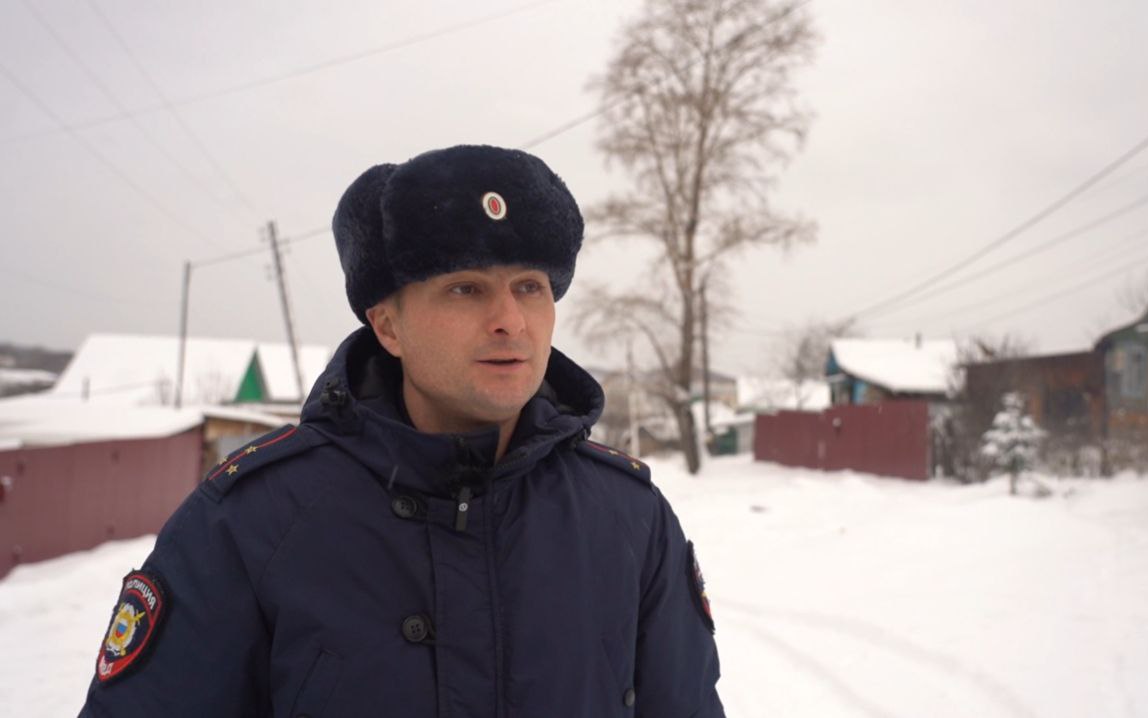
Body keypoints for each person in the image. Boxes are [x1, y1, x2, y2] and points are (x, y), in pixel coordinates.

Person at [79, 144, 724, 717]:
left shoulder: (629, 519)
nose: (511, 320)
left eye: (530, 287)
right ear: (388, 326)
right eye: (466, 289)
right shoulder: (251, 523)